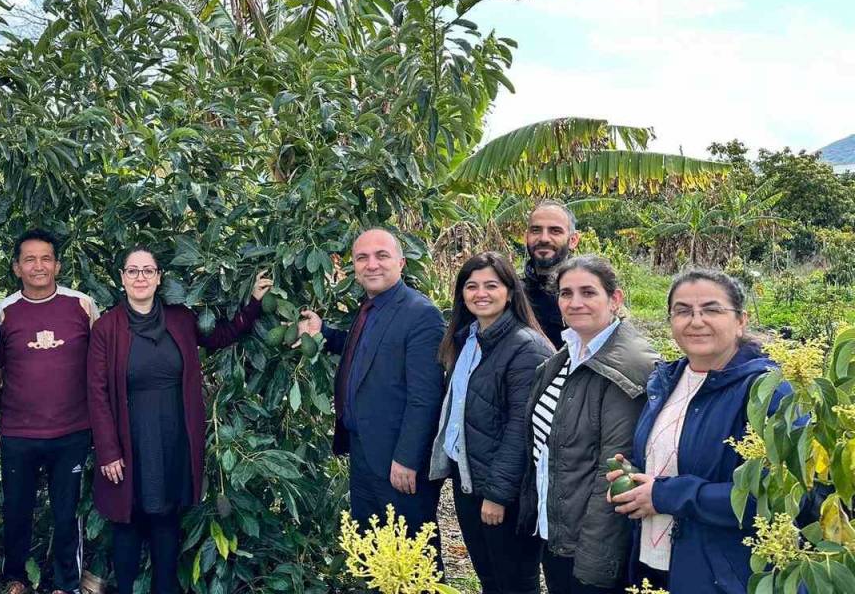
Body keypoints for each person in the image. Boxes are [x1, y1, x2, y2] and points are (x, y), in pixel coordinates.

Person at [86, 245, 270, 594]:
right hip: (129, 439)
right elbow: (95, 392)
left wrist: (254, 303)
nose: (140, 277)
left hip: (173, 438)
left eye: (147, 270)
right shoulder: (107, 327)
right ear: (122, 279)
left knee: (166, 521)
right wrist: (108, 450)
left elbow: (220, 337)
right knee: (126, 524)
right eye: (133, 271)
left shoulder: (181, 318)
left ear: (158, 278)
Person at [608, 269, 789, 593]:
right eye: (683, 311)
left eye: (711, 309)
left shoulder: (767, 391)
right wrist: (635, 482)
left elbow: (778, 499)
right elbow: (673, 461)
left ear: (741, 320)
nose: (695, 321)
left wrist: (664, 494)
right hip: (655, 564)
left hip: (720, 576)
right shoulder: (666, 381)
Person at [297, 228, 448, 573]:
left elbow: (426, 397)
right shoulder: (371, 306)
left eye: (381, 256)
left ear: (401, 262)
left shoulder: (419, 314)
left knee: (414, 556)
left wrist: (407, 458)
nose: (371, 264)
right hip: (365, 451)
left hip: (398, 460)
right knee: (375, 549)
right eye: (362, 258)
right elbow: (362, 352)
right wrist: (323, 333)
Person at [518, 256, 658, 594]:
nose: (575, 302)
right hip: (558, 534)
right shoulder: (564, 358)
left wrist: (593, 562)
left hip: (590, 549)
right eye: (566, 294)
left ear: (615, 299)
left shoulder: (630, 366)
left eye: (588, 292)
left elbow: (613, 474)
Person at [426, 252, 552, 593]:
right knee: (490, 578)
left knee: (514, 583)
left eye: (491, 285)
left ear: (510, 292)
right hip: (470, 479)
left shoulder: (526, 347)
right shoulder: (467, 339)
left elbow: (521, 429)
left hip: (504, 492)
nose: (480, 293)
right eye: (471, 286)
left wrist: (497, 496)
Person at [0, 230, 99, 594]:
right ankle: (15, 578)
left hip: (73, 430)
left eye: (46, 258)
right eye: (30, 259)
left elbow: (101, 366)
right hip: (19, 432)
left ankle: (67, 583)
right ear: (17, 267)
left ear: (58, 265)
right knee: (17, 511)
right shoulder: (3, 312)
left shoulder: (82, 305)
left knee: (68, 514)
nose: (39, 266)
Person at [523, 201, 581, 350]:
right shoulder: (510, 290)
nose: (544, 238)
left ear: (573, 240)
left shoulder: (589, 292)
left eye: (555, 231)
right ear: (526, 237)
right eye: (536, 230)